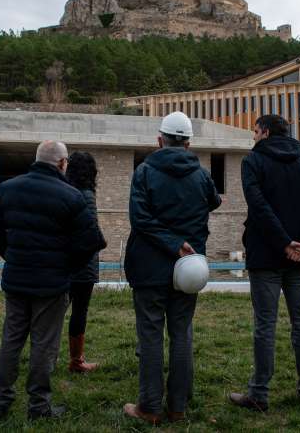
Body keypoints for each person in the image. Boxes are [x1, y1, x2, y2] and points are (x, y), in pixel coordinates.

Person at [0, 140, 106, 421]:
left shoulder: (8, 188)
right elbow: (92, 241)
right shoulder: (71, 195)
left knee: (11, 339)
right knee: (43, 345)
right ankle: (38, 407)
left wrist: (12, 256)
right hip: (51, 284)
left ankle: (0, 402)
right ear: (62, 163)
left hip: (16, 279)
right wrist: (67, 267)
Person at [123, 112, 221, 425]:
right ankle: (177, 407)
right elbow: (214, 201)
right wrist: (182, 237)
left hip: (149, 266)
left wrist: (171, 241)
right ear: (188, 143)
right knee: (182, 334)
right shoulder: (201, 175)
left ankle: (150, 407)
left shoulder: (144, 171)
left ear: (159, 140)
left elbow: (140, 218)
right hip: (187, 268)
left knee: (151, 336)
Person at [229, 114, 300, 413]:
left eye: (254, 131)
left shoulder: (253, 162)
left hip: (265, 255)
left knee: (265, 325)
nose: (253, 137)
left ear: (265, 132)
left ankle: (259, 394)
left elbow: (258, 206)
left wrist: (285, 242)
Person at [64, 151, 101, 373]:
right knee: (79, 311)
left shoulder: (64, 192)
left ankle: (46, 357)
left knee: (56, 311)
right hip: (83, 264)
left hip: (64, 262)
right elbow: (92, 233)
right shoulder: (86, 195)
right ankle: (76, 361)